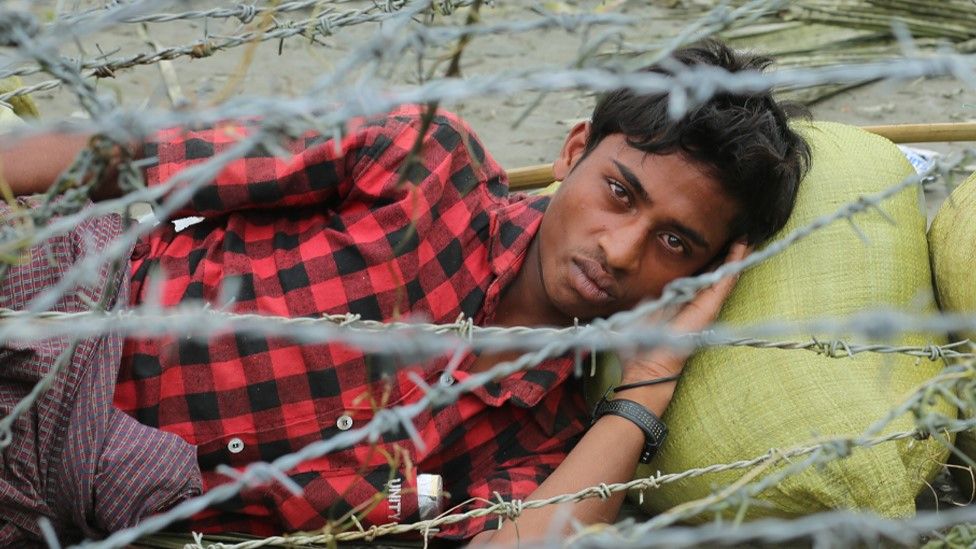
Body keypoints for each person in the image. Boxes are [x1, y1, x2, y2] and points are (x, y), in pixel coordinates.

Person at [0, 40, 809, 545]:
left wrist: (644, 388)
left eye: (676, 243)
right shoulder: (422, 161)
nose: (622, 249)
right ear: (573, 153)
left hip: (47, 496)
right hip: (50, 316)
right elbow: (134, 158)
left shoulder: (539, 442)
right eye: (620, 192)